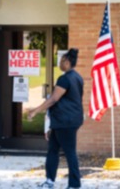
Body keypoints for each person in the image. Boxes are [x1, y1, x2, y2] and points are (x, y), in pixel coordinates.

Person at [28, 48, 84, 189]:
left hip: (65, 121)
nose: (59, 63)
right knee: (53, 150)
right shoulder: (78, 77)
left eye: (61, 60)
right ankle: (49, 181)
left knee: (70, 152)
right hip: (66, 120)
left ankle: (75, 184)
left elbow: (53, 99)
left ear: (67, 62)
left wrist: (35, 111)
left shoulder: (65, 79)